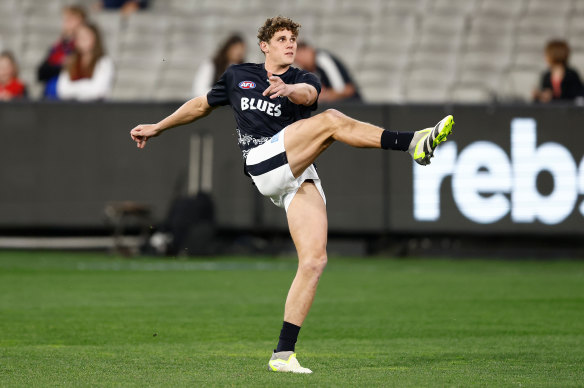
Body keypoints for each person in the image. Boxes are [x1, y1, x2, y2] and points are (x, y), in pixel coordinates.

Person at [130, 16, 454, 373]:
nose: (290, 44)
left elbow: (309, 95)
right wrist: (159, 126)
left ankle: (283, 354)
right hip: (261, 161)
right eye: (282, 38)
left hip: (296, 171)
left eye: (294, 40)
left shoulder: (302, 78)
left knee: (314, 261)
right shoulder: (238, 75)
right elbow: (201, 105)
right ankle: (412, 143)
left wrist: (288, 89)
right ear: (264, 45)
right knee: (332, 121)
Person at [37, 5, 87, 99]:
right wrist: (61, 65)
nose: (66, 23)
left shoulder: (83, 48)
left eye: (71, 19)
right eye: (66, 19)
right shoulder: (58, 47)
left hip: (70, 97)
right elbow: (41, 73)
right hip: (50, 95)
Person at [57, 23, 114, 101]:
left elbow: (98, 91)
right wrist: (87, 85)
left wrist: (73, 87)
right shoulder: (71, 61)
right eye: (79, 37)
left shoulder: (104, 62)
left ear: (95, 39)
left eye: (86, 37)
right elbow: (62, 90)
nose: (82, 40)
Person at [294, 41, 362, 102]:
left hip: (350, 106)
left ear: (307, 50)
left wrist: (323, 95)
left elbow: (345, 90)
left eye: (299, 58)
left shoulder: (323, 60)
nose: (299, 63)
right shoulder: (307, 70)